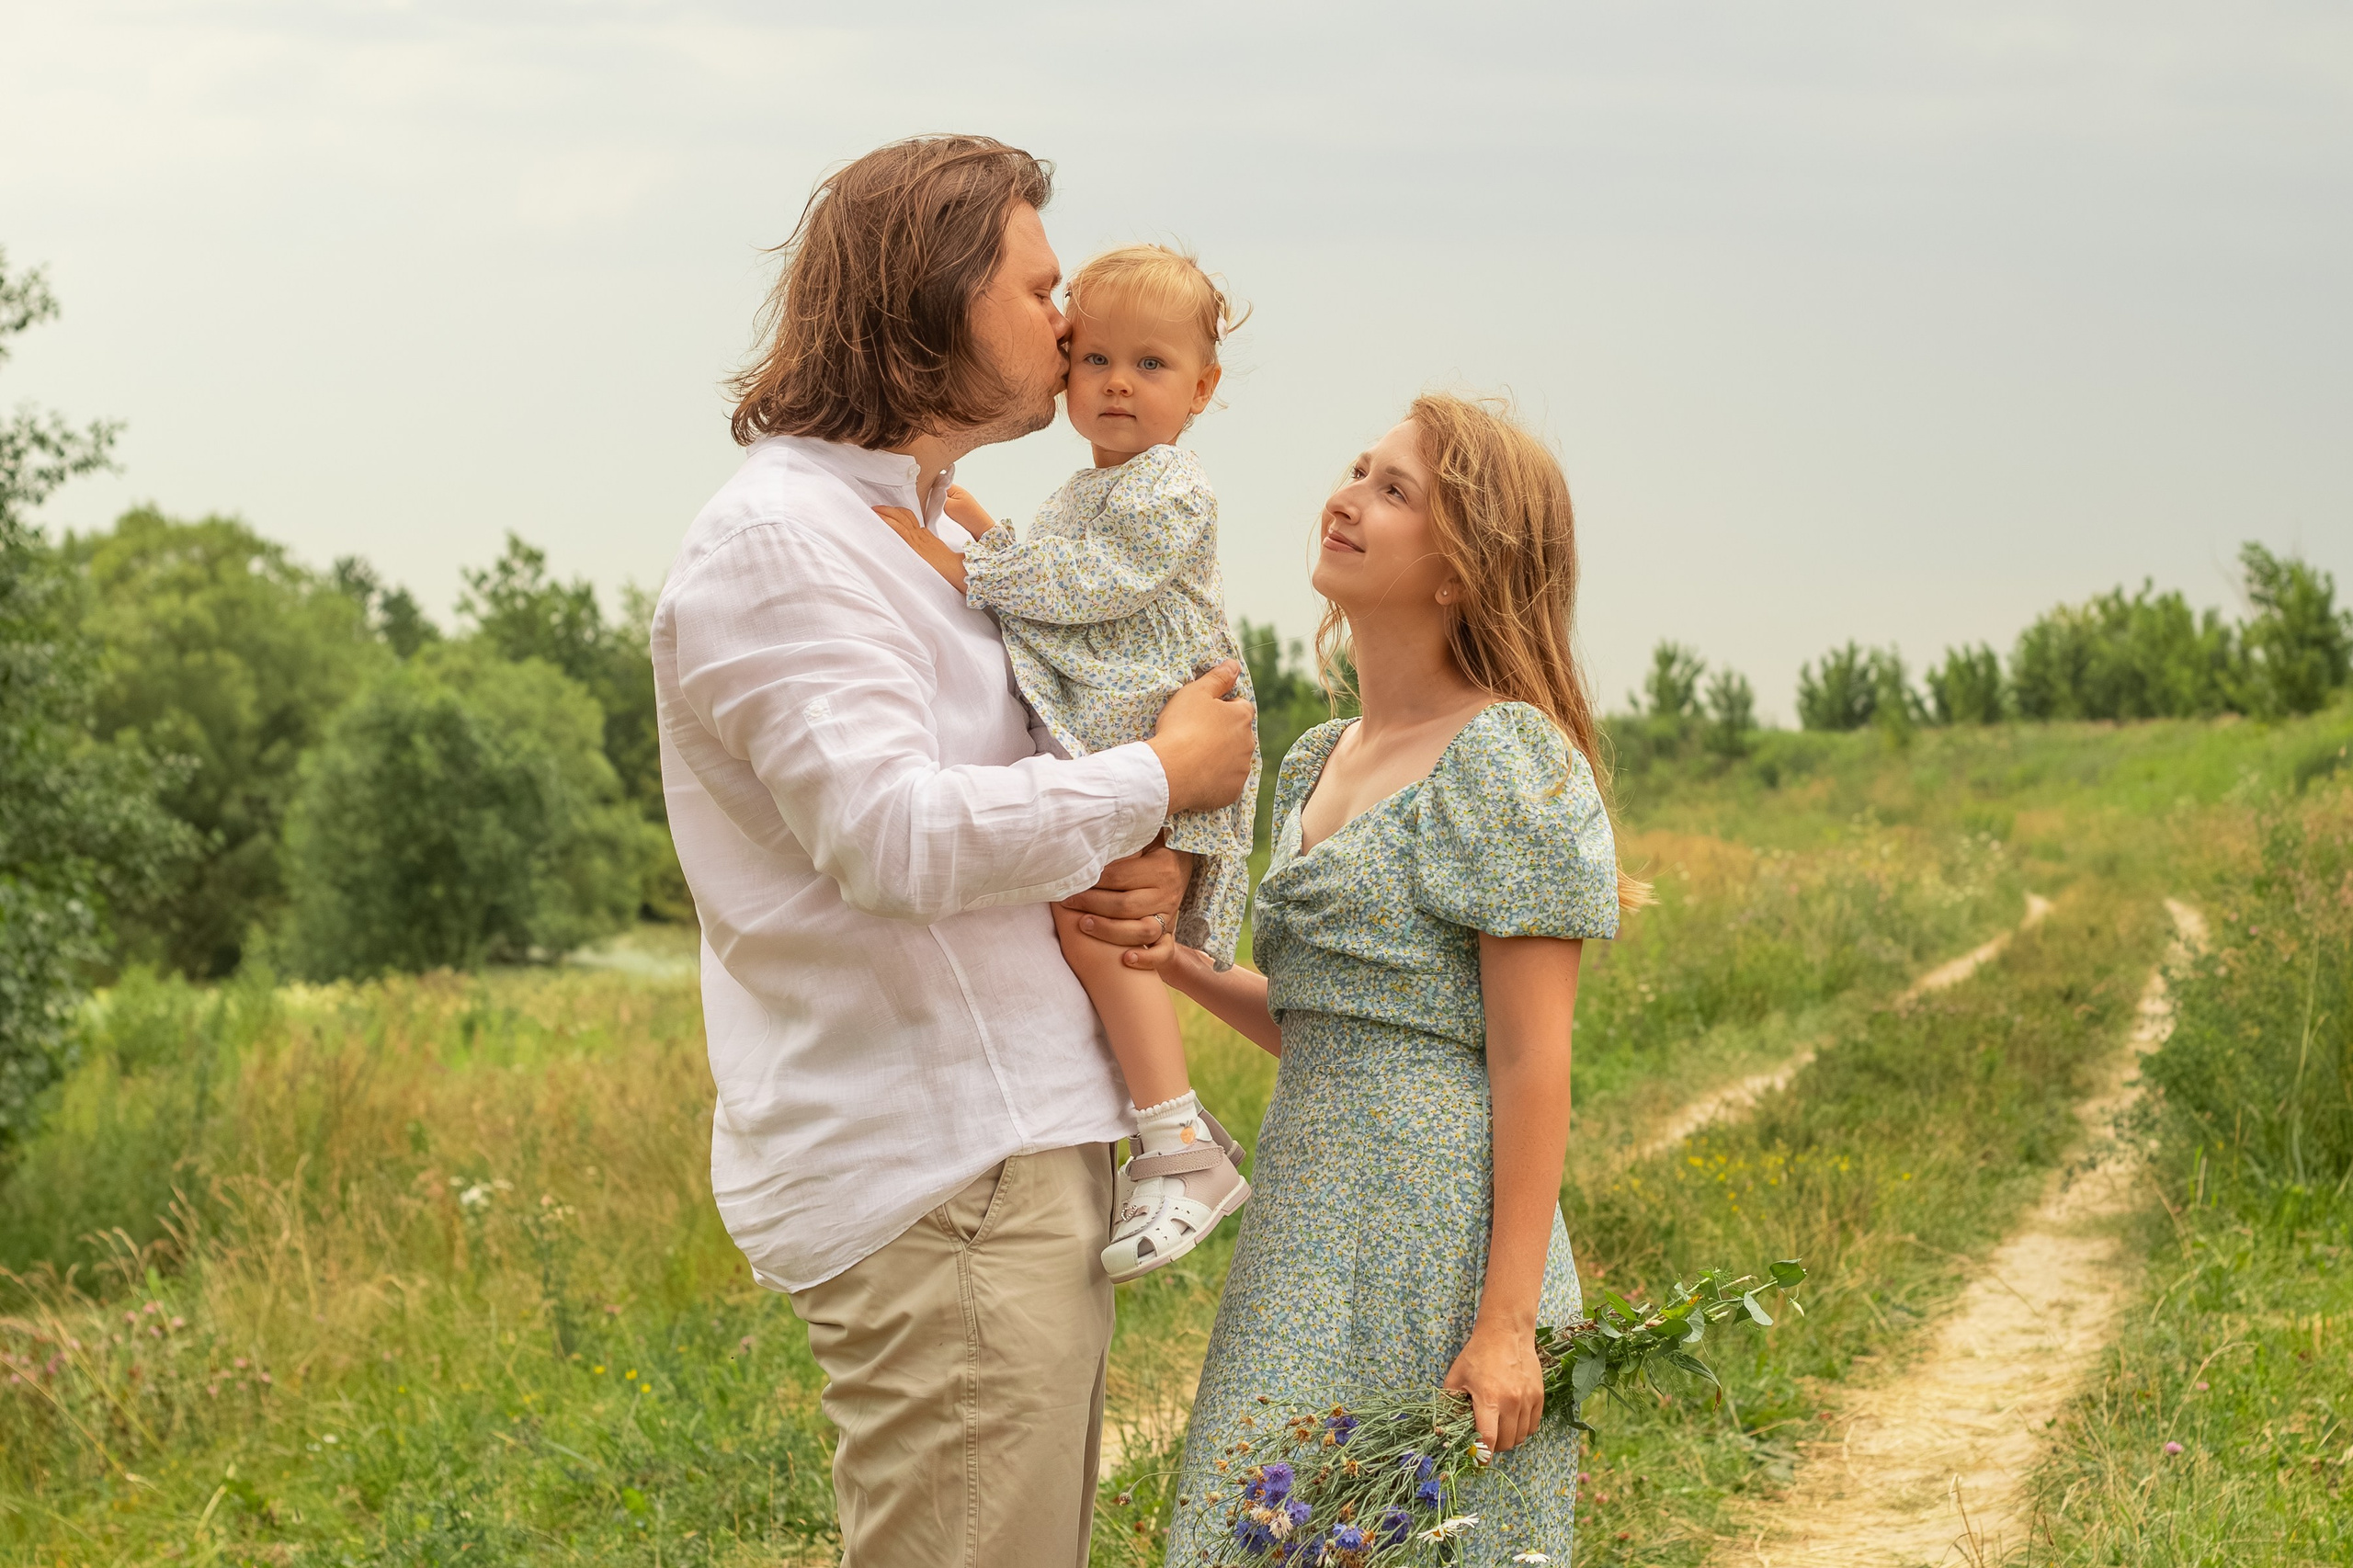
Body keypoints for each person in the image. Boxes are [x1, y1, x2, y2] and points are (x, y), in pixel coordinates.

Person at [649, 135, 1257, 1568]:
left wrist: (1151, 848)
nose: (1069, 324)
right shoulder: (784, 546)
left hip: (1014, 1150)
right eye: (1041, 286)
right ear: (934, 295)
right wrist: (1152, 773)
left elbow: (1012, 787)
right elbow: (893, 837)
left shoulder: (919, 527)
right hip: (948, 1180)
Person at [1145, 394, 1644, 1566]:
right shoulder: (1318, 759)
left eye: (1394, 489)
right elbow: (1338, 1027)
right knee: (1245, 1533)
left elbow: (1529, 1056)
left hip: (1444, 1243)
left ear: (1465, 569)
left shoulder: (1506, 757)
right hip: (1304, 1234)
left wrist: (1508, 1325)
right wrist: (1173, 962)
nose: (1347, 496)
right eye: (1357, 469)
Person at [873, 242, 1261, 1285]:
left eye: (1151, 365)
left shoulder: (1171, 484)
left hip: (1170, 728)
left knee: (1102, 935)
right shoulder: (1098, 485)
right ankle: (1175, 1122)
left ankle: (1177, 1141)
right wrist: (995, 535)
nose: (1117, 384)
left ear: (1203, 388)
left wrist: (968, 561)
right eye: (1094, 359)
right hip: (1133, 735)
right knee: (1091, 927)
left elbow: (1094, 583)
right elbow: (1068, 578)